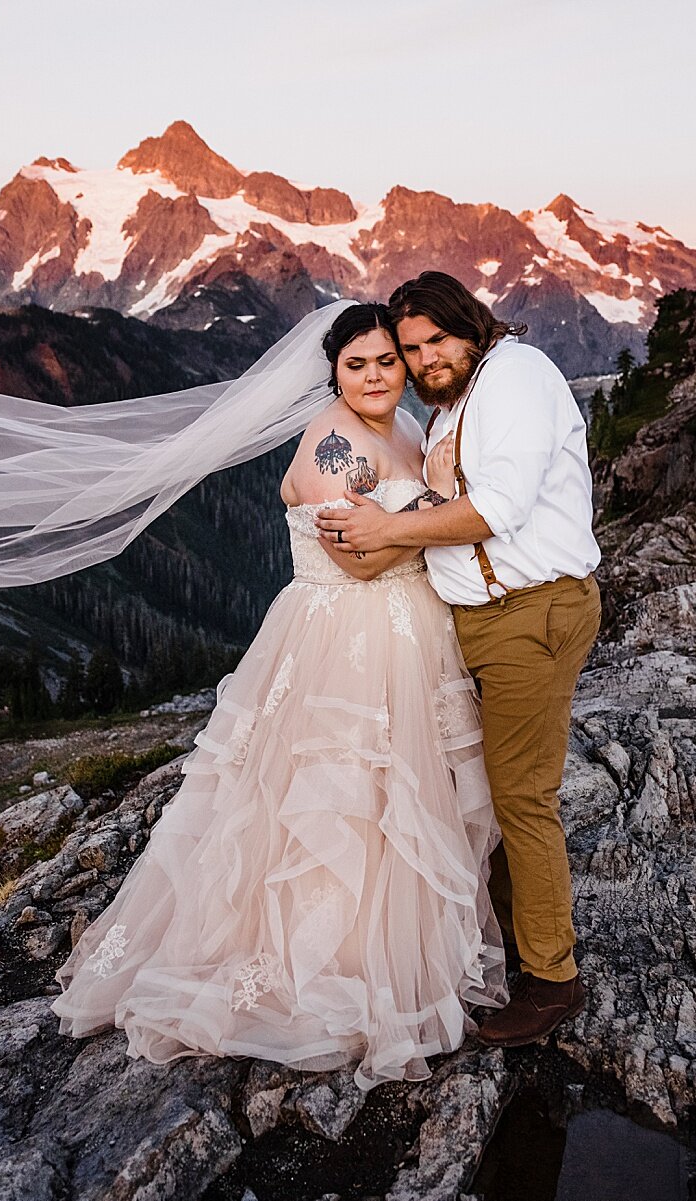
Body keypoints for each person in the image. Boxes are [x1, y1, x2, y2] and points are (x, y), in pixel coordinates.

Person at [49, 303, 506, 1087]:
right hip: (348, 639)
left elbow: (393, 533)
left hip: (403, 633)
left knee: (395, 799)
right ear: (333, 369)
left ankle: (390, 947)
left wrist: (419, 518)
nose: (374, 376)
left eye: (386, 362)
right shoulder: (334, 445)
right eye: (357, 364)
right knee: (337, 804)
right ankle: (331, 966)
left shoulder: (400, 429)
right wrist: (444, 519)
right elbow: (362, 562)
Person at [314, 272, 602, 1048]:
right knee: (488, 790)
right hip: (482, 620)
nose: (424, 358)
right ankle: (514, 941)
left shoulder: (513, 379)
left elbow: (499, 510)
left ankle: (551, 982)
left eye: (435, 340)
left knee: (520, 798)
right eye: (411, 349)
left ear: (470, 325)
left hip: (528, 614)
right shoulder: (457, 401)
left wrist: (391, 530)